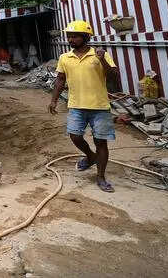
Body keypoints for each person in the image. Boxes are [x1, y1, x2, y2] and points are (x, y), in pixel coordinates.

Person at [50, 20, 119, 192]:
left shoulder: (100, 54)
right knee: (75, 136)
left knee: (100, 142)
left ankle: (101, 177)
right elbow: (60, 80)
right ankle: (90, 156)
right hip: (76, 105)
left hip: (100, 107)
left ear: (86, 37)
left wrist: (102, 60)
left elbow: (113, 77)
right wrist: (54, 100)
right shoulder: (65, 58)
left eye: (75, 36)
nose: (71, 39)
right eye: (69, 36)